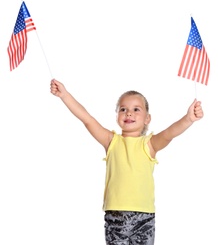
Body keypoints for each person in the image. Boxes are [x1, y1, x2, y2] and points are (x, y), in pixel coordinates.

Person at [50, 78, 204, 245]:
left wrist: (188, 119)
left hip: (144, 218)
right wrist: (64, 95)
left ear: (147, 118)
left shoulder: (150, 144)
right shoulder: (111, 141)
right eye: (123, 109)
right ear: (117, 116)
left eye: (136, 109)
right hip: (115, 216)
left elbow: (169, 133)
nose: (129, 113)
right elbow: (87, 119)